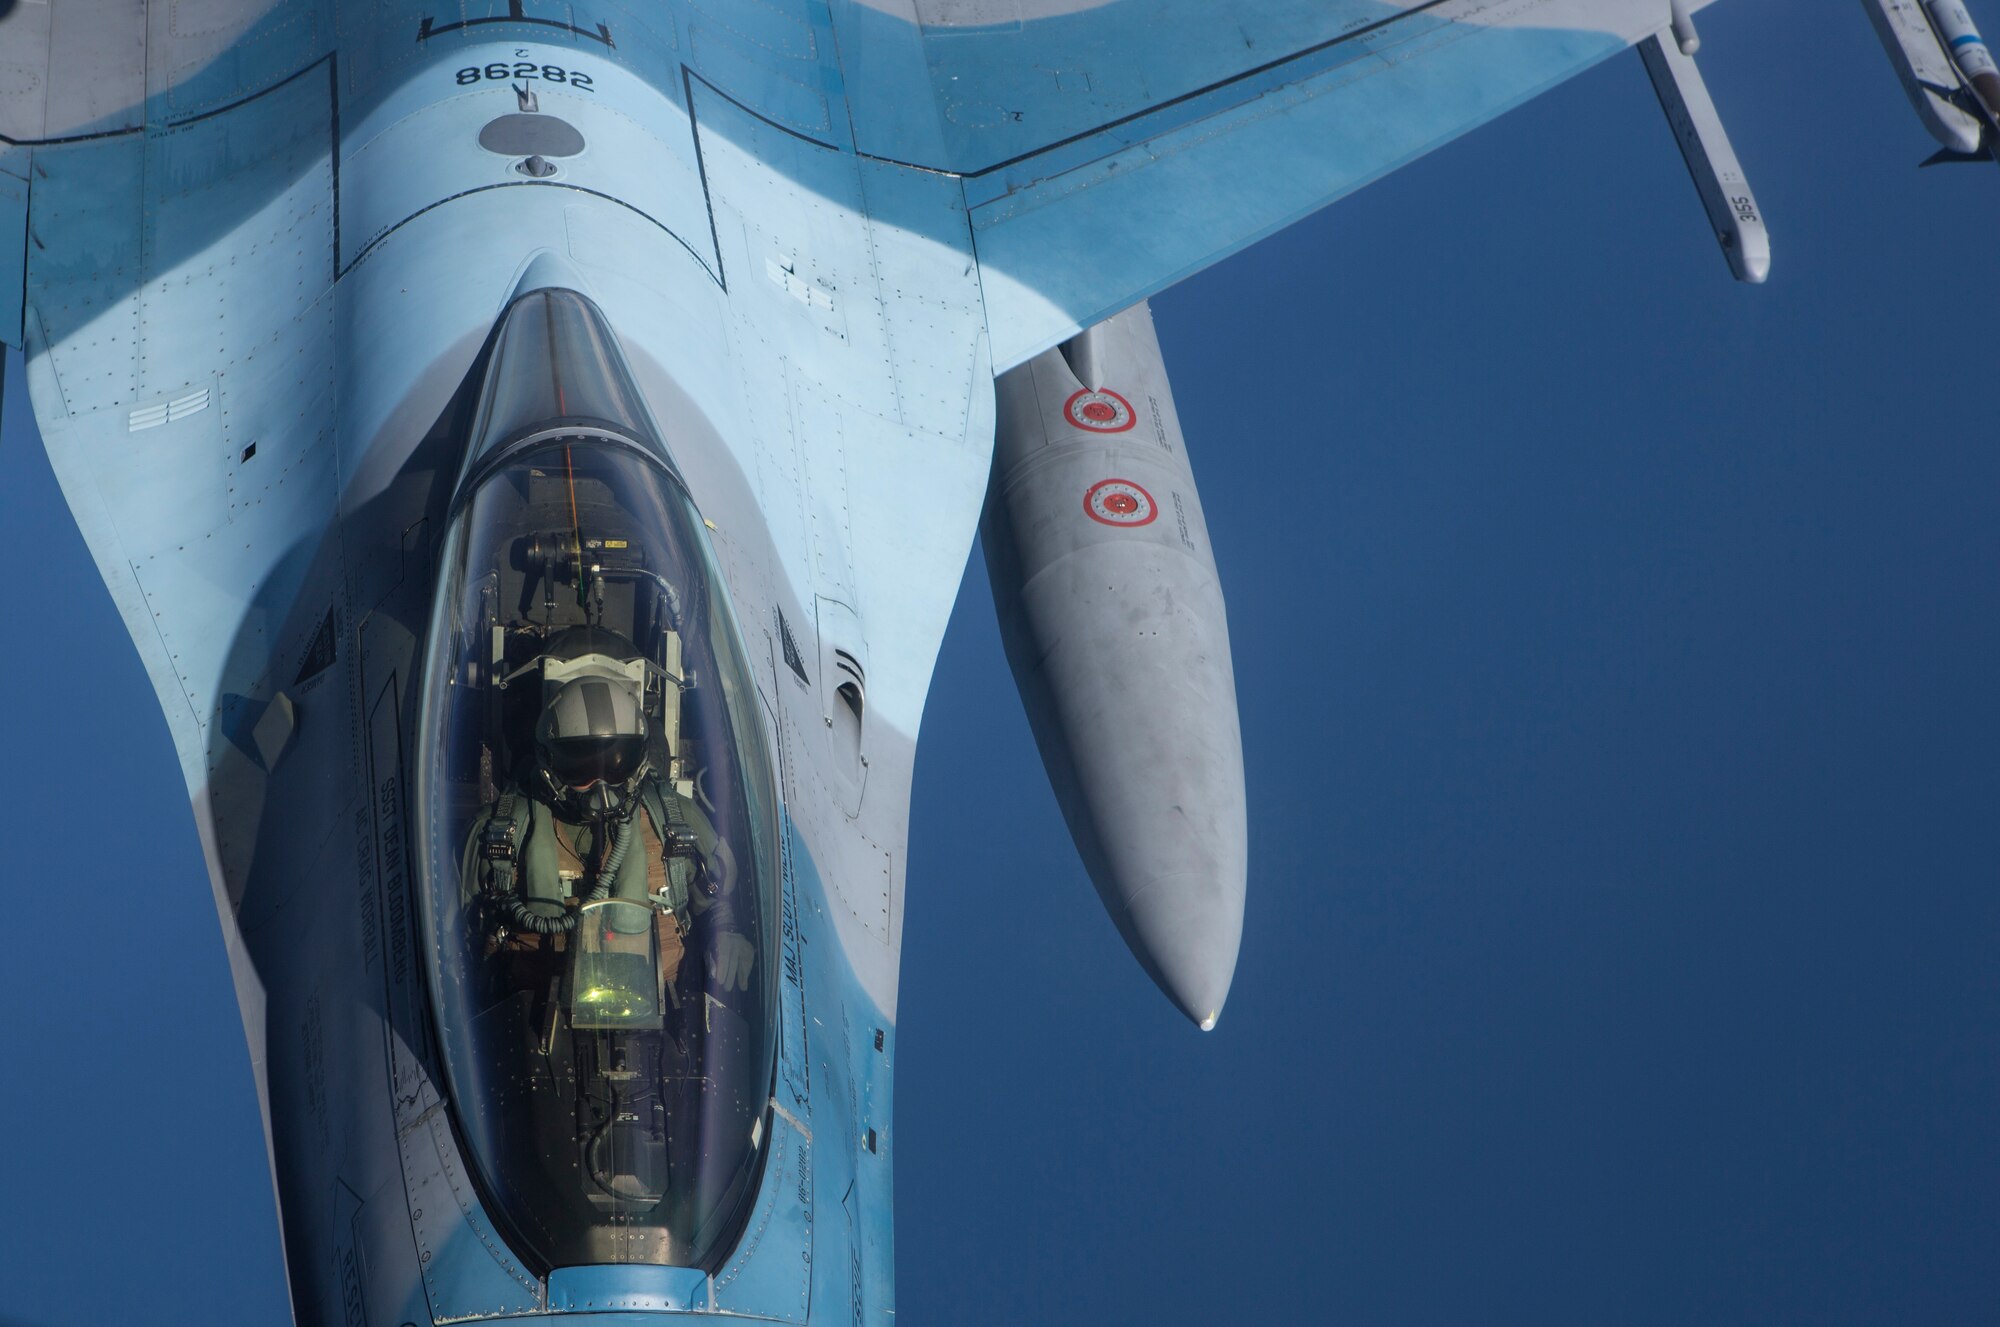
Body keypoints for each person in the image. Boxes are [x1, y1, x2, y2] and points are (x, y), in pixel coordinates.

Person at [471, 673, 755, 993]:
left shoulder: (677, 823)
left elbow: (717, 902)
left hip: (659, 1011)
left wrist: (726, 930)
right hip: (527, 1015)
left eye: (617, 764)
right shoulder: (501, 833)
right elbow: (453, 928)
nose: (602, 787)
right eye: (581, 767)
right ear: (549, 765)